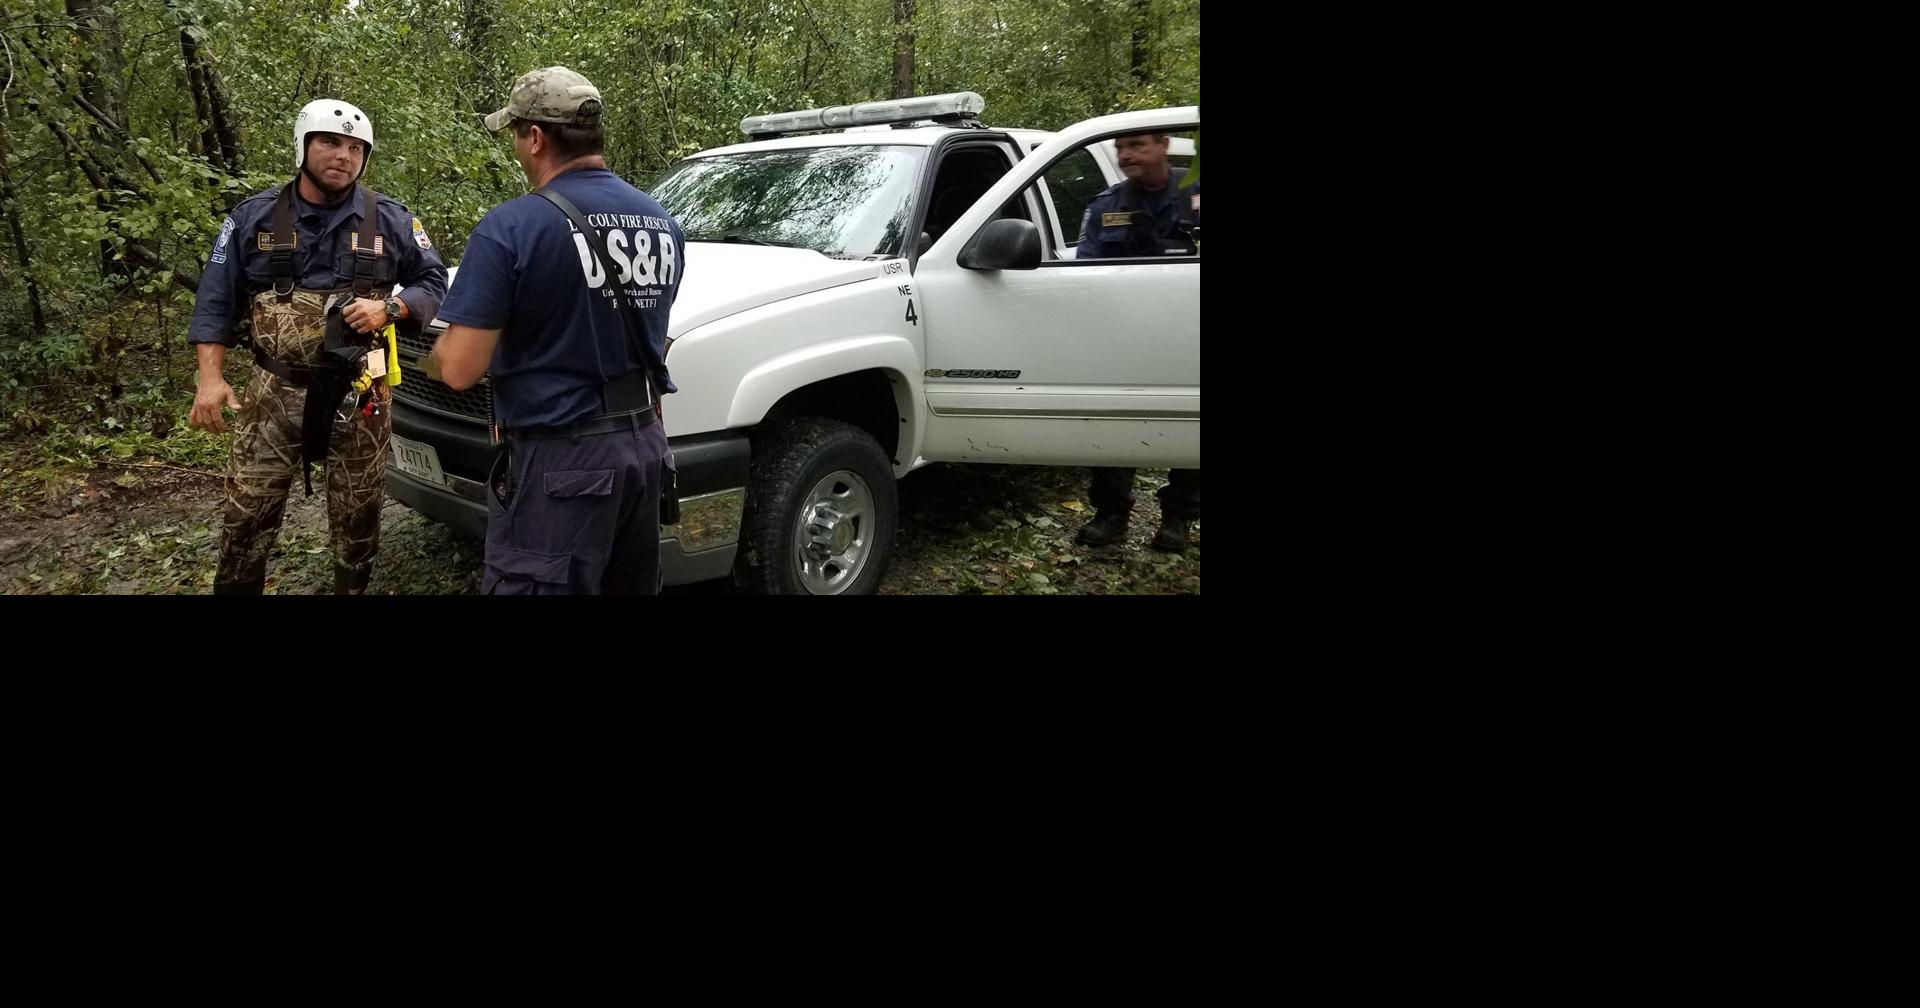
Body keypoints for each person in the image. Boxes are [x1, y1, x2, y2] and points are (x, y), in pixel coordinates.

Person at [426, 66, 684, 594]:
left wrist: (434, 349)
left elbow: (458, 369)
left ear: (536, 137)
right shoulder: (662, 223)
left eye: (517, 134)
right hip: (644, 452)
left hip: (562, 464)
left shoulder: (513, 227)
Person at [187, 99, 447, 594]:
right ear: (303, 145)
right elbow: (215, 301)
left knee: (358, 515)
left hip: (363, 393)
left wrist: (390, 309)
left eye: (355, 148)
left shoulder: (391, 219)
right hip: (273, 393)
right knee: (247, 514)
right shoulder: (253, 217)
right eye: (329, 142)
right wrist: (210, 377)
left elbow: (435, 280)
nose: (343, 156)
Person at [1074, 130, 1201, 552]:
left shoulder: (1195, 193)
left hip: (1191, 336)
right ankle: (1111, 514)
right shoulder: (1106, 206)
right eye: (1120, 147)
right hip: (1125, 339)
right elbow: (1084, 275)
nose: (1126, 154)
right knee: (1115, 422)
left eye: (1137, 145)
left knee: (1193, 424)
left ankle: (1178, 519)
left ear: (1164, 145)